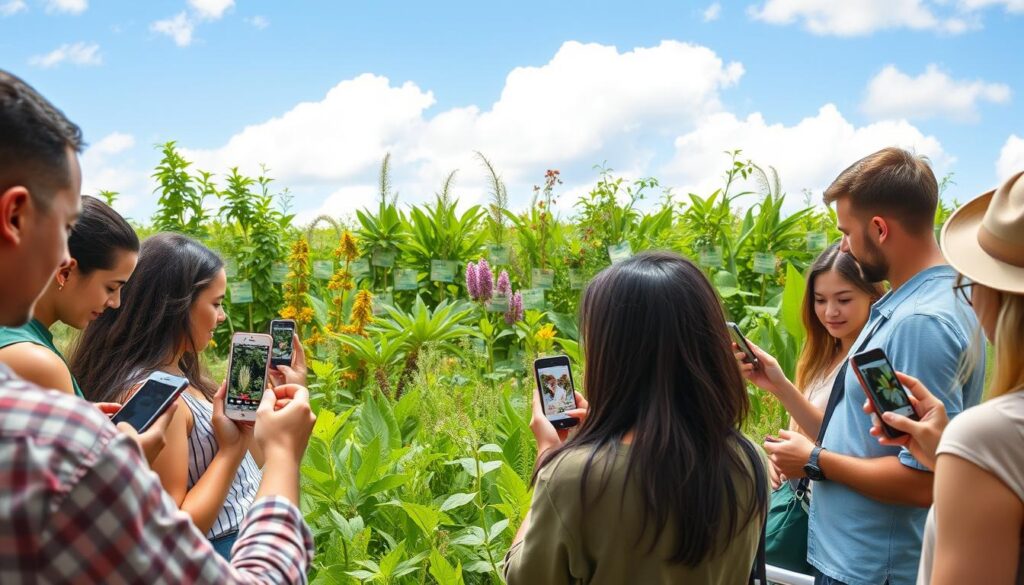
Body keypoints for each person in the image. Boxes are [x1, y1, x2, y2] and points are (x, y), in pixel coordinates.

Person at [0, 69, 315, 581]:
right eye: (64, 227)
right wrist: (281, 457)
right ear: (15, 216)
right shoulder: (34, 384)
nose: (65, 257)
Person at [763, 147, 985, 585]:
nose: (843, 245)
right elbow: (880, 438)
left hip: (872, 569)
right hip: (857, 559)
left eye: (846, 232)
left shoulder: (920, 322)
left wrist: (814, 461)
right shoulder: (915, 304)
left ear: (880, 228)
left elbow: (923, 479)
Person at [504, 251, 768, 584]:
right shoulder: (749, 458)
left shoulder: (571, 479)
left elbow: (523, 578)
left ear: (612, 357)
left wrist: (550, 457)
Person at [71, 232, 308, 559]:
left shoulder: (179, 373)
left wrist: (272, 407)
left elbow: (249, 468)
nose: (222, 316)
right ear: (177, 305)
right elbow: (177, 525)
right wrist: (231, 449)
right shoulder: (154, 395)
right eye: (215, 303)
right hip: (223, 556)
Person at [864, 170, 1024, 584]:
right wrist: (946, 454)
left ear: (998, 298)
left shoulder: (993, 434)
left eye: (971, 284)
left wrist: (965, 452)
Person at [738, 243, 883, 486]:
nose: (830, 312)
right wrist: (782, 458)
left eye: (844, 300)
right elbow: (807, 432)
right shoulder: (821, 355)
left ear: (873, 296)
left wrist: (807, 458)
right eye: (820, 300)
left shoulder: (874, 361)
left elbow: (837, 442)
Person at [0, 195, 138, 397]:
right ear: (64, 272)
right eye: (111, 287)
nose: (116, 303)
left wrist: (82, 418)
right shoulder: (37, 363)